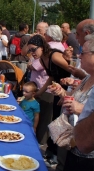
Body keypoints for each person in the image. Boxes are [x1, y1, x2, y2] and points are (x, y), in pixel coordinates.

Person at [48, 35, 94, 171]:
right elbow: (72, 99)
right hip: (73, 145)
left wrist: (80, 109)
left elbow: (80, 107)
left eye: (82, 53)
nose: (79, 56)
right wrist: (61, 92)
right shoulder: (87, 78)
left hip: (88, 154)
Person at [27, 35, 71, 166]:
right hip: (58, 91)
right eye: (30, 51)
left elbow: (71, 69)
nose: (32, 53)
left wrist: (76, 85)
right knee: (56, 121)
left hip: (67, 91)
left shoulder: (53, 56)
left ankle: (59, 157)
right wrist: (39, 93)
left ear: (41, 47)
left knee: (62, 123)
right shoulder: (42, 59)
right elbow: (51, 76)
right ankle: (52, 152)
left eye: (33, 49)